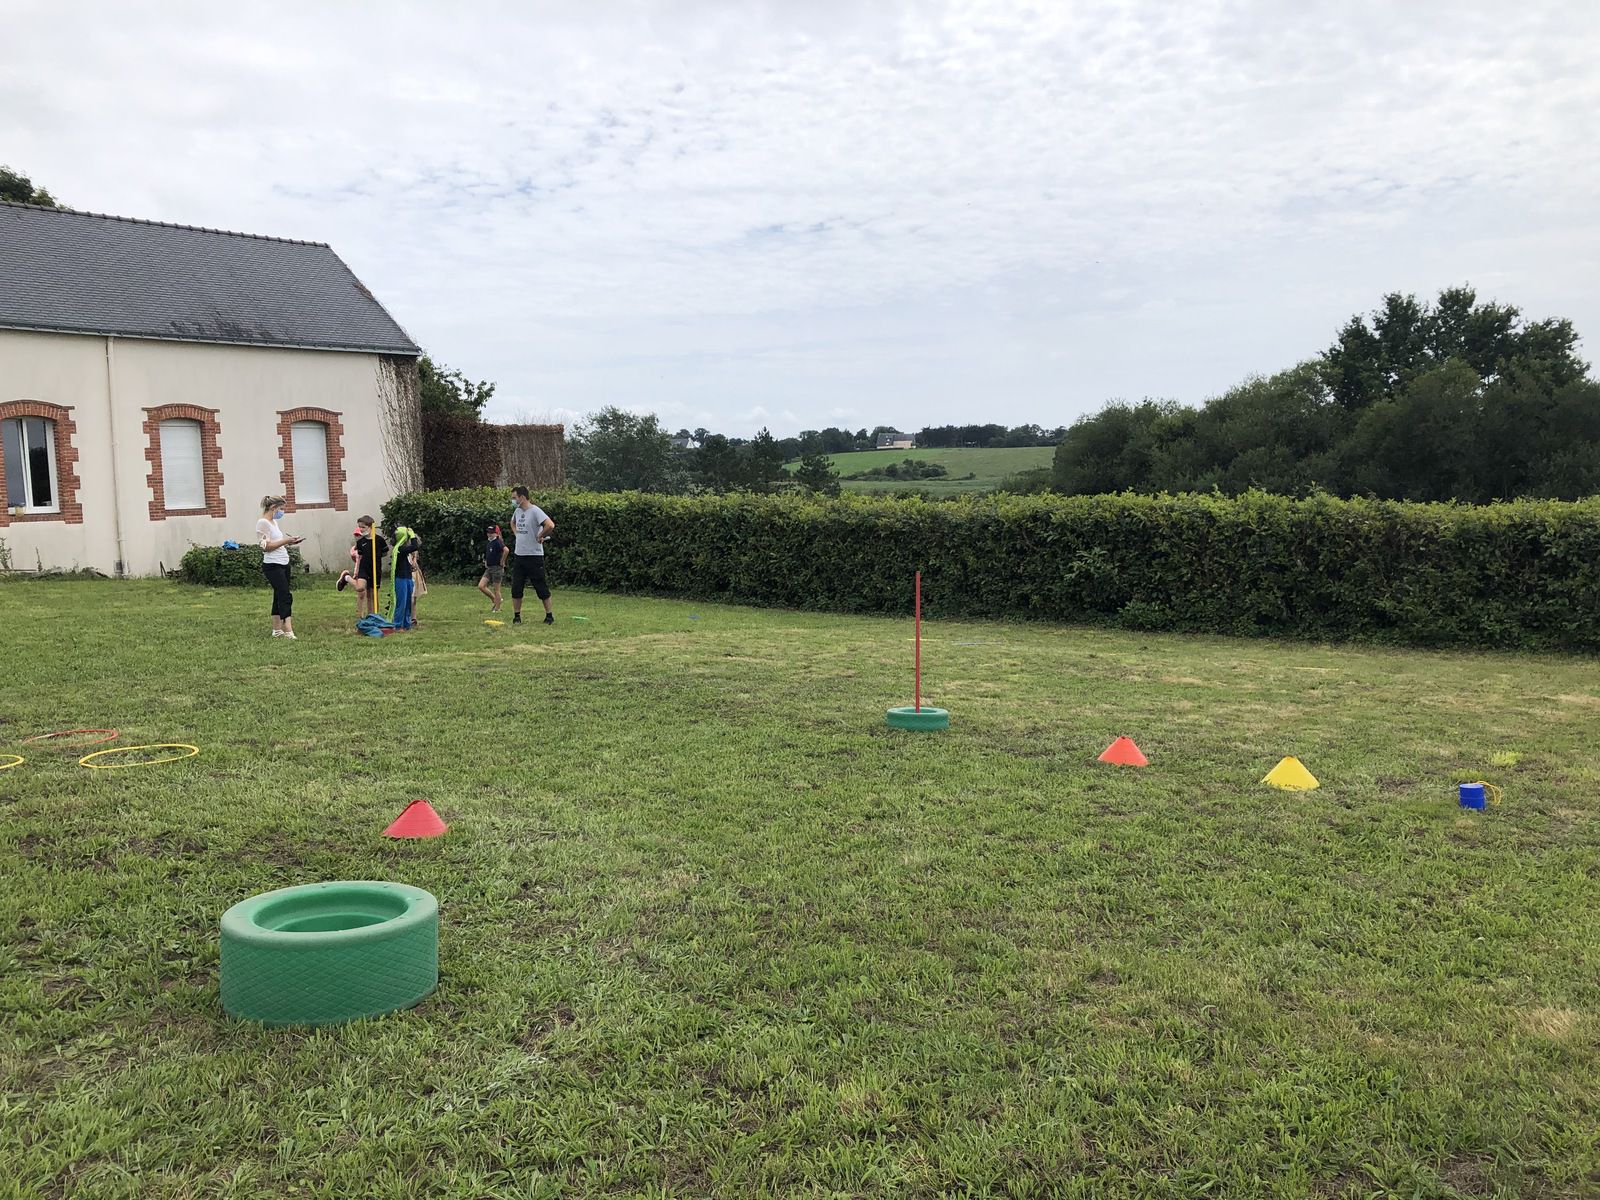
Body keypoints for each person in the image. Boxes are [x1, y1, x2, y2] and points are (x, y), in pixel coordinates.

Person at [256, 495, 304, 639]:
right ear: (273, 507)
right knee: (285, 595)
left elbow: (276, 542)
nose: (282, 512)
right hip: (273, 565)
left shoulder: (274, 522)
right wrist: (285, 541)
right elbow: (266, 546)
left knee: (279, 595)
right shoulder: (263, 523)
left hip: (283, 562)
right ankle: (288, 629)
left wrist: (290, 542)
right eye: (281, 508)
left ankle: (276, 629)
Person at [509, 485, 555, 625]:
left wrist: (540, 535)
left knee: (540, 585)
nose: (513, 501)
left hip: (534, 556)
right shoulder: (517, 511)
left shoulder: (535, 511)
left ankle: (549, 615)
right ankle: (517, 616)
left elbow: (550, 525)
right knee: (516, 587)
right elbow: (512, 522)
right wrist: (517, 534)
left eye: (514, 498)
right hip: (519, 555)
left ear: (522, 497)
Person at [337, 517, 388, 619]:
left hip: (375, 570)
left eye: (363, 527)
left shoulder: (379, 540)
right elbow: (359, 557)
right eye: (359, 527)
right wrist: (356, 571)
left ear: (370, 527)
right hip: (364, 569)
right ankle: (346, 577)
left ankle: (372, 616)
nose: (361, 529)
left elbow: (384, 553)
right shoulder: (361, 542)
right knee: (360, 587)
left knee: (372, 595)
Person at [390, 524, 422, 630]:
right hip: (400, 579)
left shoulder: (404, 549)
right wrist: (412, 535)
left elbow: (414, 548)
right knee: (401, 603)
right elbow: (415, 546)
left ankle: (406, 624)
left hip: (408, 578)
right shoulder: (399, 549)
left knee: (408, 602)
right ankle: (398, 625)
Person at [478, 523, 508, 612]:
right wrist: (486, 561)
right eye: (488, 532)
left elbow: (506, 550)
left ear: (496, 533)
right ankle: (495, 600)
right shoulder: (489, 542)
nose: (489, 534)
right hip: (489, 568)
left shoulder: (498, 542)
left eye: (491, 533)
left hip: (497, 568)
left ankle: (497, 608)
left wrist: (502, 561)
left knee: (496, 589)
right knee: (481, 586)